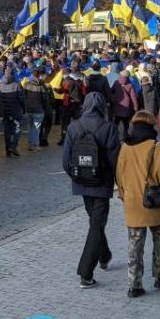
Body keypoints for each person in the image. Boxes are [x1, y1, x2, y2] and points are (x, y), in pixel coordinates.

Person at [115, 111, 160, 298]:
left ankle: (134, 284)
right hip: (156, 204)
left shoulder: (125, 148)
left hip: (133, 204)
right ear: (151, 126)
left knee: (134, 243)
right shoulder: (159, 148)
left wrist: (124, 196)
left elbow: (119, 177)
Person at [62, 93, 121, 288]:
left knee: (95, 222)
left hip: (82, 183)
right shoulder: (108, 128)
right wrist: (117, 182)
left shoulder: (73, 127)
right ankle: (85, 272)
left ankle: (104, 255)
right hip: (102, 184)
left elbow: (66, 161)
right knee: (97, 224)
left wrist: (78, 177)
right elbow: (115, 160)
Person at [22, 68, 53, 149]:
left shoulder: (26, 84)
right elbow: (45, 100)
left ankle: (30, 144)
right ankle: (35, 145)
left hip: (28, 109)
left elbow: (23, 97)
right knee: (36, 128)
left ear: (32, 75)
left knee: (30, 128)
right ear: (39, 75)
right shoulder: (42, 86)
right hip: (39, 110)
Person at [0, 69, 25, 158]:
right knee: (18, 129)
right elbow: (22, 99)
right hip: (16, 111)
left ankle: (8, 149)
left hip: (5, 112)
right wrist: (23, 108)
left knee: (7, 131)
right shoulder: (17, 84)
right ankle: (13, 146)